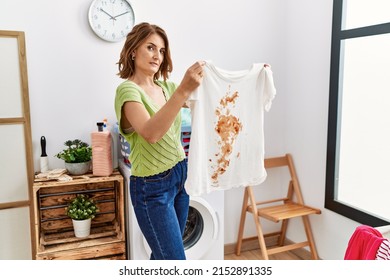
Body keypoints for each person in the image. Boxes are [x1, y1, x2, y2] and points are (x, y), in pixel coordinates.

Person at [114, 22, 204, 260]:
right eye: (151, 48)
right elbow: (151, 134)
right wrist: (182, 91)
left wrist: (253, 78)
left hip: (180, 176)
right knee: (174, 261)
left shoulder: (167, 87)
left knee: (162, 256)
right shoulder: (128, 91)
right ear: (133, 50)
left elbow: (213, 95)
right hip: (152, 188)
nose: (158, 56)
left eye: (162, 51)